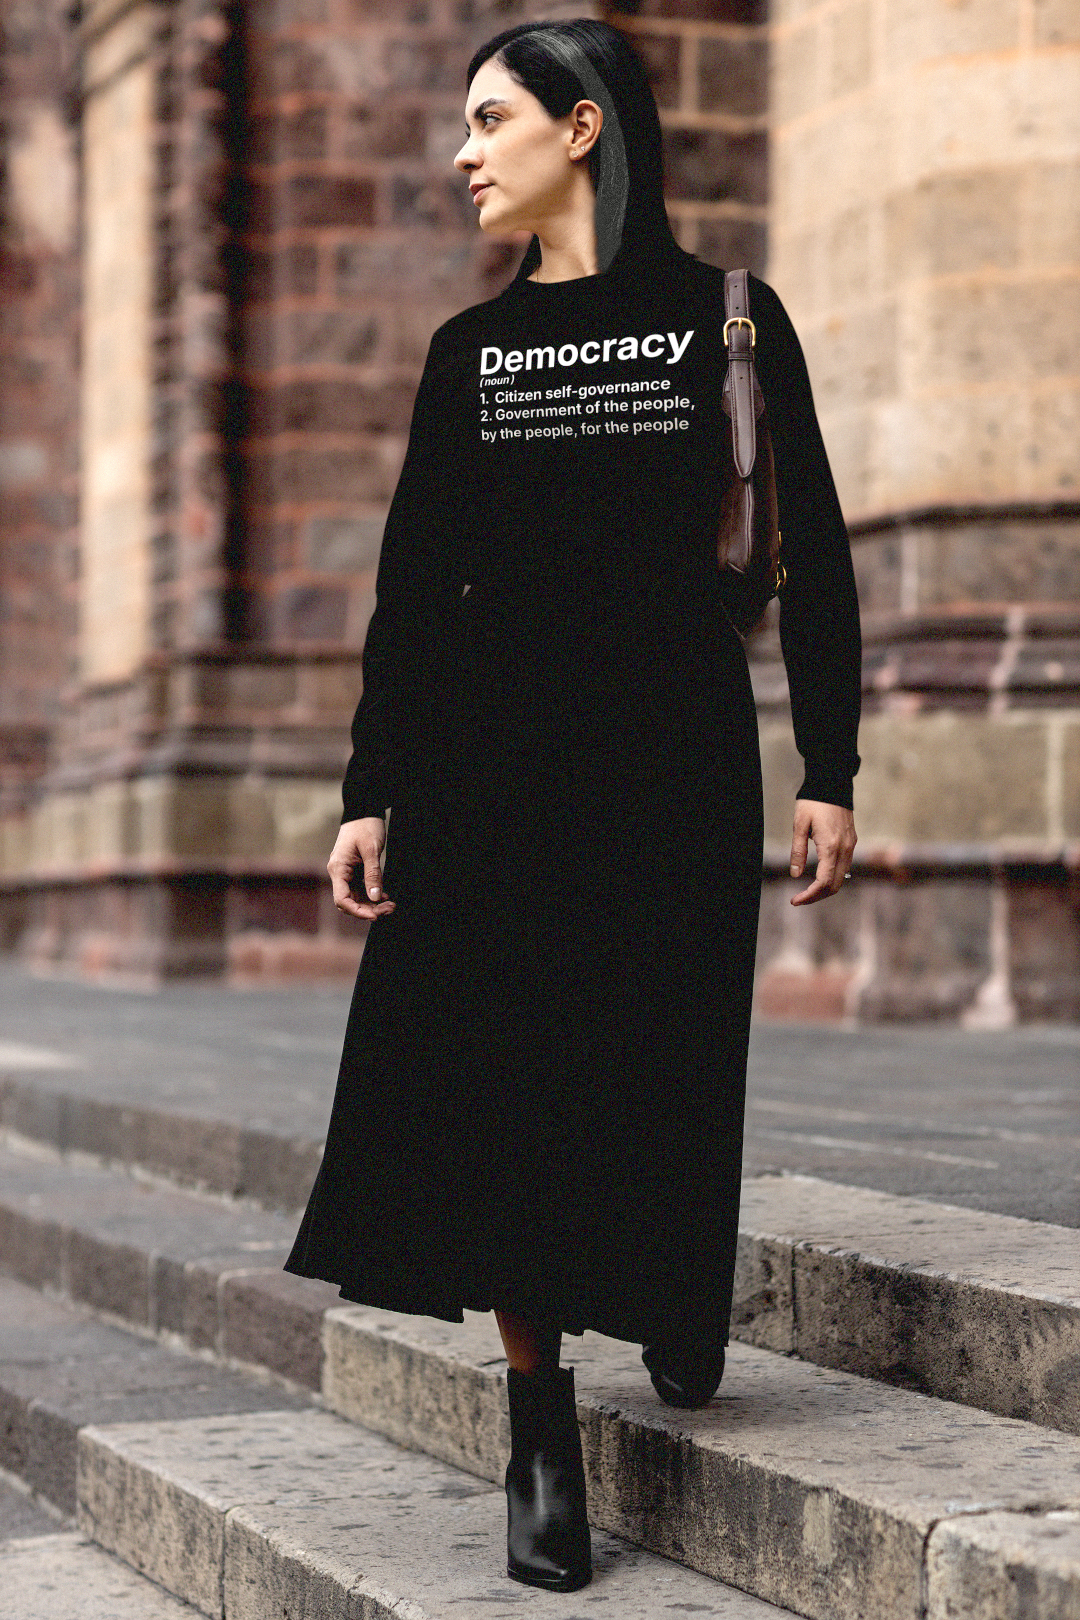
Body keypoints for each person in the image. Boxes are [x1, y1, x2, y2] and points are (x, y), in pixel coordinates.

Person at [284, 17, 861, 1595]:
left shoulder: (721, 321)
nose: (464, 154)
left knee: (664, 1046)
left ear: (584, 127)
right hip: (490, 766)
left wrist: (832, 766)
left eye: (491, 120)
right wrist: (372, 789)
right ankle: (542, 1436)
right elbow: (411, 591)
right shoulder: (467, 355)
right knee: (504, 1079)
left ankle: (674, 1279)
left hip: (670, 752)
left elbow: (812, 545)